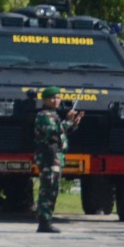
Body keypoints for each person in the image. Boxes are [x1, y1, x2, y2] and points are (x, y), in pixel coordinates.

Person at [32, 86, 82, 232]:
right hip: (48, 156)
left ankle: (47, 220)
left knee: (52, 189)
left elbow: (61, 135)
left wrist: (74, 123)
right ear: (45, 100)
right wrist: (67, 121)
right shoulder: (44, 115)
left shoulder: (54, 115)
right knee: (47, 189)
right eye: (53, 98)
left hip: (56, 156)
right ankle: (44, 222)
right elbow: (52, 132)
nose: (56, 101)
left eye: (58, 97)